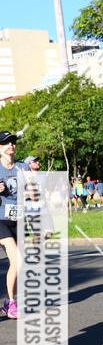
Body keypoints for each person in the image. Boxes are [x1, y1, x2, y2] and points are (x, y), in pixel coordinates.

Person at [0, 131, 28, 318]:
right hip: (0, 219)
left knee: (16, 264)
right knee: (17, 259)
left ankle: (9, 302)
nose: (12, 145)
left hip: (18, 220)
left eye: (13, 142)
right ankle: (12, 305)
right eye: (7, 142)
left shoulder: (22, 167)